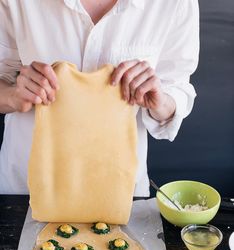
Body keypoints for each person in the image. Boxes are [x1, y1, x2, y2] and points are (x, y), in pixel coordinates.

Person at [0, 0, 199, 196]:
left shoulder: (174, 4)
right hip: (26, 191)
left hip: (118, 192)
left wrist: (161, 100)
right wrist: (12, 95)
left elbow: (177, 86)